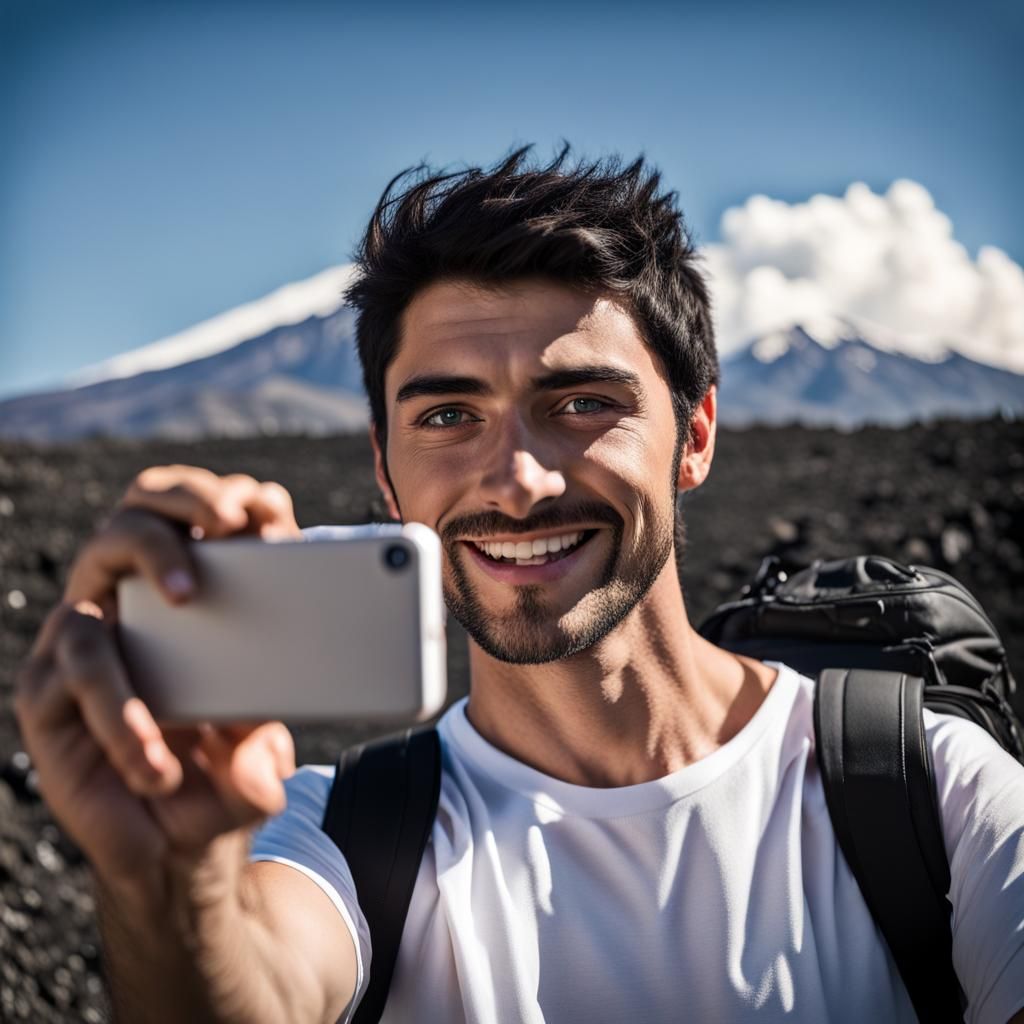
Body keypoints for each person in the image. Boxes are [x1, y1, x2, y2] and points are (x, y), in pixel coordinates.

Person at [15, 148, 1024, 1024]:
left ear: (695, 434)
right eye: (448, 417)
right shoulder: (343, 832)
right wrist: (177, 875)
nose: (517, 481)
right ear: (384, 470)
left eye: (581, 402)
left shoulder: (934, 791)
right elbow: (257, 988)